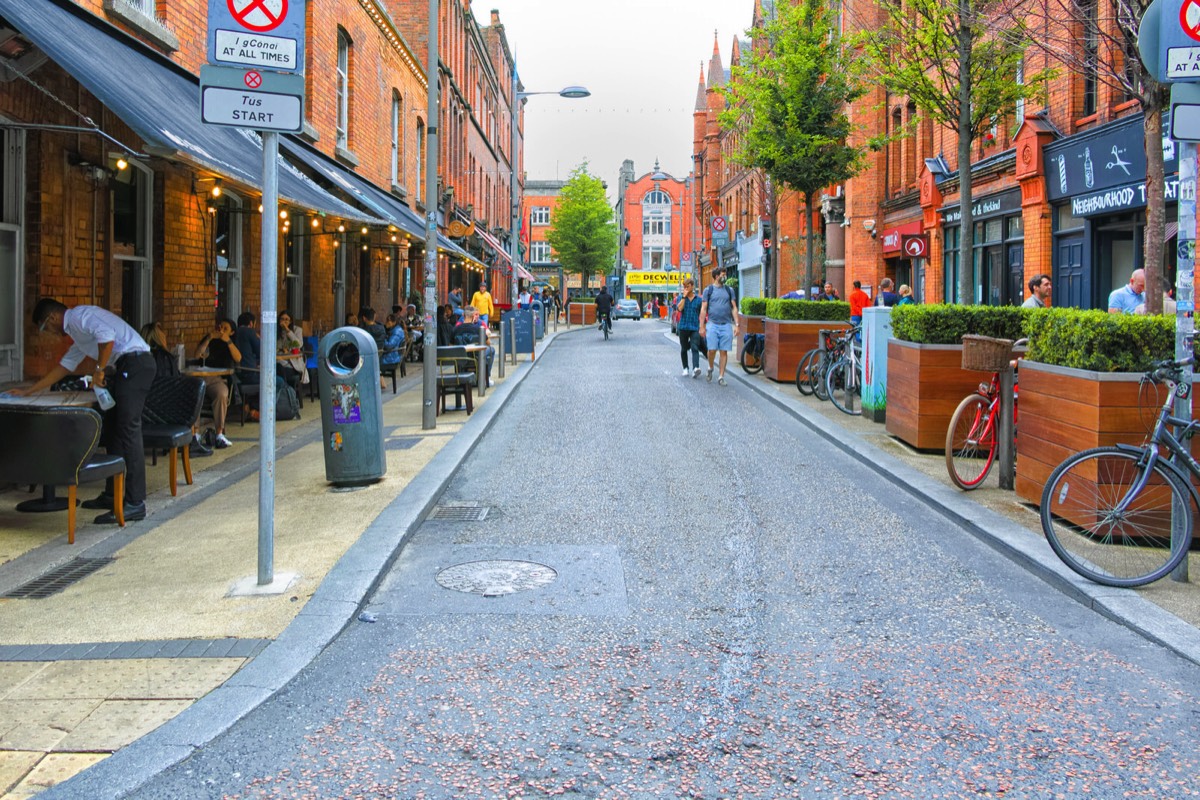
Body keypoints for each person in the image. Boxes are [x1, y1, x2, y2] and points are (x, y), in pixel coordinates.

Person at [13, 299, 155, 523]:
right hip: (129, 365)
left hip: (136, 364)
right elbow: (63, 367)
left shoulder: (79, 317)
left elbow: (106, 337)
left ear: (52, 318)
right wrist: (30, 390)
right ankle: (112, 494)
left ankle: (135, 502)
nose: (47, 333)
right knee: (114, 431)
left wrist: (99, 371)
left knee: (128, 430)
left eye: (44, 327)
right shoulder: (79, 336)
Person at [141, 322, 211, 458]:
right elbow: (174, 383)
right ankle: (192, 440)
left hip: (144, 409)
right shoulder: (166, 357)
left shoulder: (140, 357)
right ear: (159, 338)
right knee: (191, 400)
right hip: (167, 410)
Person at [195, 318, 242, 449]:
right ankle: (195, 433)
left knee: (222, 394)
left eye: (225, 329)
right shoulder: (210, 338)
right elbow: (197, 354)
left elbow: (238, 358)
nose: (220, 331)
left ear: (232, 332)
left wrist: (227, 340)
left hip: (219, 378)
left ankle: (219, 433)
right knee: (194, 393)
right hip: (202, 376)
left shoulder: (231, 342)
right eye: (220, 327)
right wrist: (210, 337)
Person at [699, 265, 739, 386]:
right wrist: (702, 326)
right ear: (716, 276)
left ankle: (721, 376)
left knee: (724, 351)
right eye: (722, 275)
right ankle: (710, 367)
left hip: (726, 325)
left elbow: (734, 308)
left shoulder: (729, 290)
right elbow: (703, 309)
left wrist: (737, 324)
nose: (724, 277)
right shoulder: (708, 290)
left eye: (725, 274)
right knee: (711, 350)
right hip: (712, 324)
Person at [453, 305, 494, 384]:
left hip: (460, 357)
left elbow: (451, 345)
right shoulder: (478, 329)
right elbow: (488, 343)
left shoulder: (455, 329)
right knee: (491, 350)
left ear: (463, 315)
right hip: (476, 357)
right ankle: (486, 377)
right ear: (473, 316)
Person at [675, 277, 705, 378]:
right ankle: (685, 368)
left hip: (694, 327)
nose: (686, 289)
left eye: (688, 287)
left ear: (692, 286)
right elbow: (679, 308)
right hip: (683, 327)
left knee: (694, 347)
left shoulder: (699, 300)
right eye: (684, 287)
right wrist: (684, 297)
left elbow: (702, 314)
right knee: (684, 348)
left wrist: (702, 327)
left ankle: (696, 368)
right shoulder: (681, 298)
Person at [276, 310, 307, 392]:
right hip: (279, 360)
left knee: (282, 370)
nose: (284, 321)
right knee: (278, 368)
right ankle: (283, 393)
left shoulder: (297, 330)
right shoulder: (276, 331)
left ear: (290, 321)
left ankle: (287, 393)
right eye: (282, 319)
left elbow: (299, 344)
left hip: (293, 364)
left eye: (286, 319)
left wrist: (287, 330)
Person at [380, 313, 407, 383]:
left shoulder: (397, 332)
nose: (386, 323)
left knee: (373, 363)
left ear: (394, 322)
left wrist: (383, 338)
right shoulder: (395, 330)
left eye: (388, 321)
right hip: (393, 356)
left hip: (392, 359)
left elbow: (389, 345)